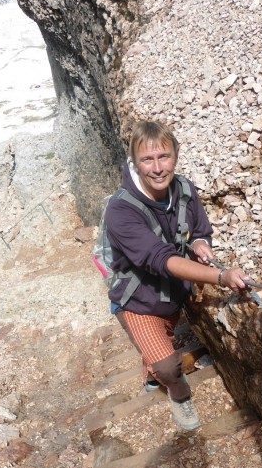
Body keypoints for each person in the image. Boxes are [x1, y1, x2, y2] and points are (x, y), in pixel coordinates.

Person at [105, 120, 247, 431]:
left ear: (176, 155)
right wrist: (221, 279)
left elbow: (199, 230)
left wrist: (199, 243)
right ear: (135, 162)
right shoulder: (120, 211)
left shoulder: (183, 189)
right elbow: (158, 258)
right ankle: (178, 395)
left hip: (173, 294)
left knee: (164, 338)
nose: (157, 168)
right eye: (147, 159)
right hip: (138, 301)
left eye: (164, 157)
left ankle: (153, 357)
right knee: (169, 367)